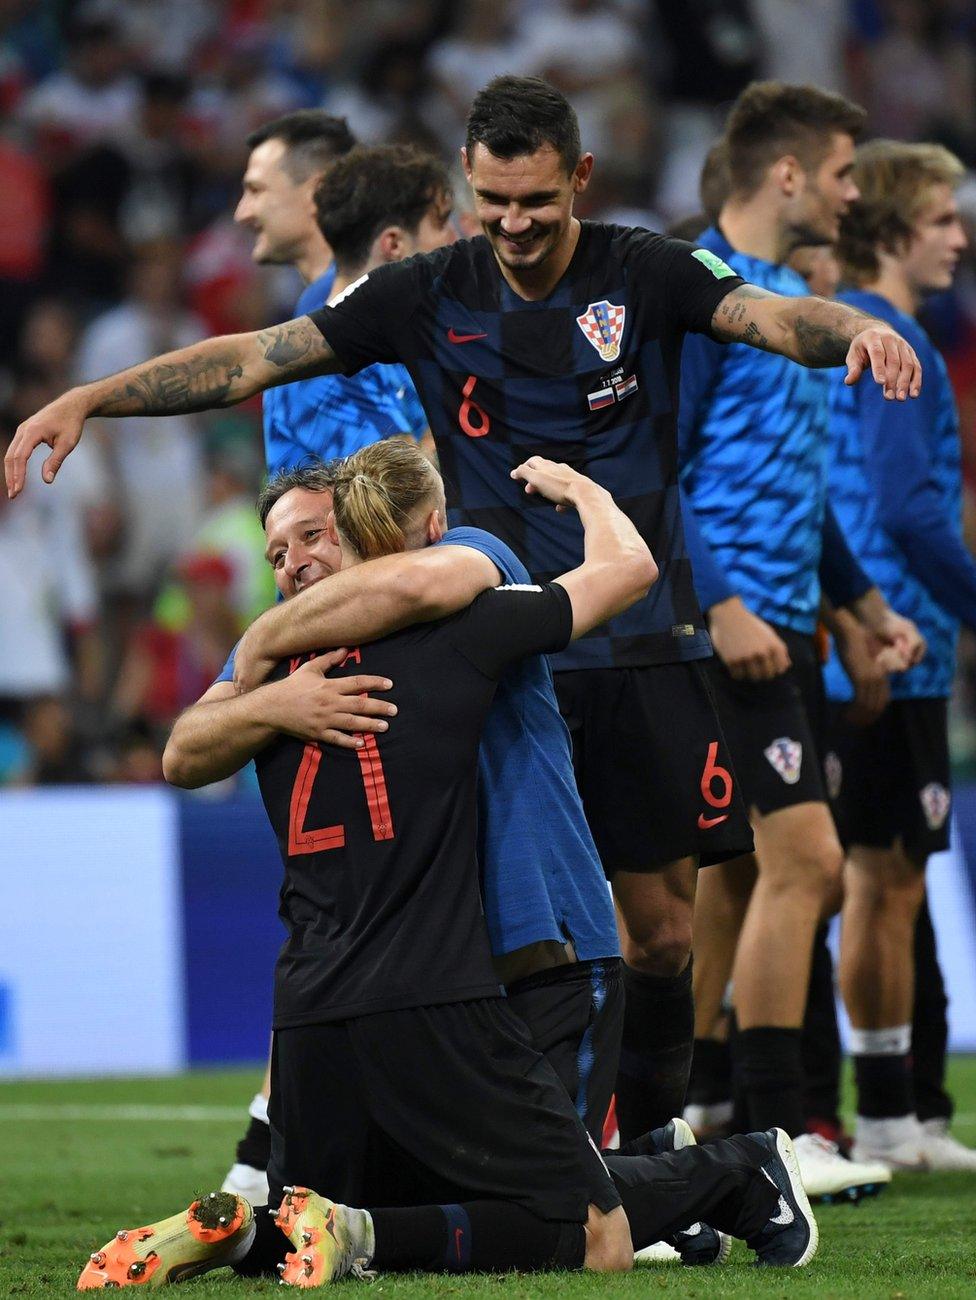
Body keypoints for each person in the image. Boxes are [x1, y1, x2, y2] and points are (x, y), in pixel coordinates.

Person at [5, 75, 924, 1146]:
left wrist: (855, 324)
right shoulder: (425, 290)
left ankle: (654, 1151)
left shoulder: (646, 270)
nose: (515, 224)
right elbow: (254, 358)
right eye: (492, 200)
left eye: (536, 199)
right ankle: (535, 1157)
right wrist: (90, 397)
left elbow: (768, 315)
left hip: (637, 638)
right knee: (498, 929)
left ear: (577, 176)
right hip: (496, 653)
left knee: (663, 934)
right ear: (467, 183)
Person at [79, 446, 818, 1288]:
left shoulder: (462, 578)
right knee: (482, 1200)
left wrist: (257, 652)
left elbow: (455, 584)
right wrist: (274, 694)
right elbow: (181, 753)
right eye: (277, 555)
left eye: (315, 536)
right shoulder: (285, 670)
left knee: (563, 1214)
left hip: (542, 938)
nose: (296, 563)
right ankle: (671, 1176)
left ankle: (717, 1177)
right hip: (434, 963)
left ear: (374, 532)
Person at [677, 81, 922, 1198]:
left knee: (738, 879)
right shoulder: (691, 294)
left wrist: (862, 607)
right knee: (808, 864)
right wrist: (717, 600)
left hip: (783, 625)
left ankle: (701, 1112)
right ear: (784, 176)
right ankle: (774, 1134)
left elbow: (802, 491)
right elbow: (649, 470)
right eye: (836, 173)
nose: (848, 193)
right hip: (708, 627)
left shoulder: (786, 299)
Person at [223, 128, 454, 1199]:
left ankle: (277, 1149)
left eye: (255, 187)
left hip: (358, 635)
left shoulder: (334, 328)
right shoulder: (342, 328)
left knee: (344, 901)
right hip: (369, 640)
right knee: (354, 900)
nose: (240, 210)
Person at [823, 139, 976, 1171]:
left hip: (860, 641)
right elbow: (907, 507)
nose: (961, 238)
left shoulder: (862, 338)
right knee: (879, 886)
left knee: (876, 885)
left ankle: (896, 1109)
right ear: (889, 232)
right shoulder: (898, 345)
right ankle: (885, 1116)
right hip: (892, 648)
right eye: (943, 220)